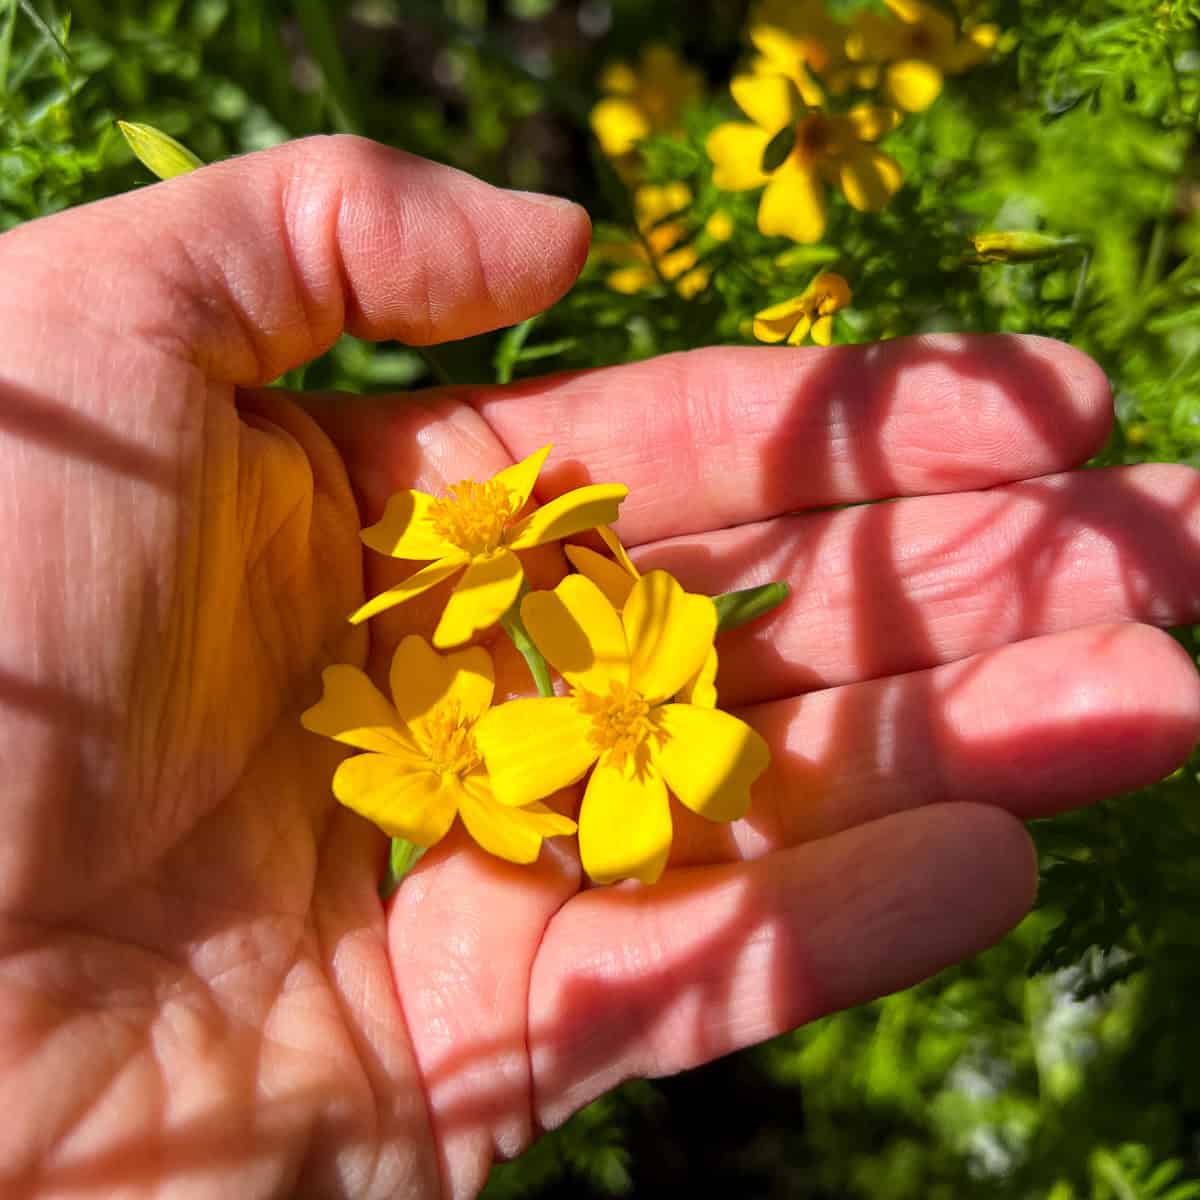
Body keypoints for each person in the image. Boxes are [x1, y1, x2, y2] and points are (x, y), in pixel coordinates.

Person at [0, 135, 1196, 1198]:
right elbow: (547, 710)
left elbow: (618, 667)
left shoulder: (580, 650)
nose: (599, 708)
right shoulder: (503, 677)